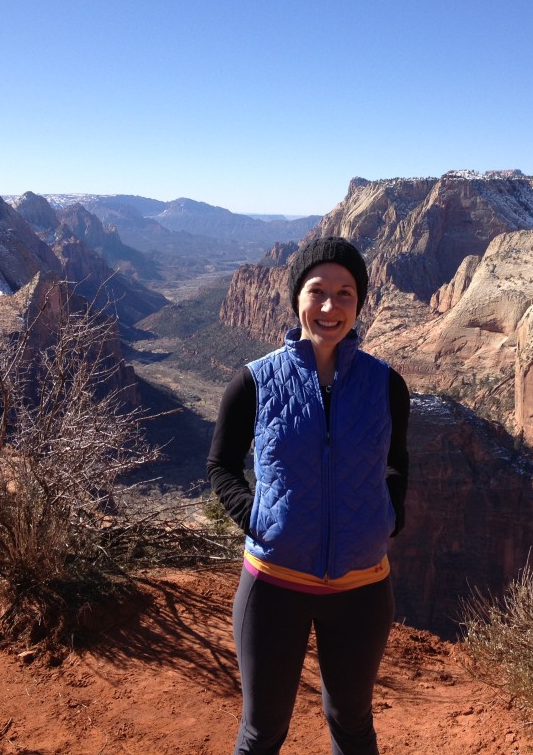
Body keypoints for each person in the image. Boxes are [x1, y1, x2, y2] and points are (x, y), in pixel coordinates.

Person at [207, 236, 411, 755]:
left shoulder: (387, 384)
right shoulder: (253, 381)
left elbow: (396, 461)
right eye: (317, 291)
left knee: (351, 722)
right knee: (262, 730)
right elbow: (222, 466)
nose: (329, 307)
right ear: (297, 296)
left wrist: (388, 516)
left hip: (362, 589)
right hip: (274, 584)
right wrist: (257, 519)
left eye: (345, 293)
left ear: (360, 302)